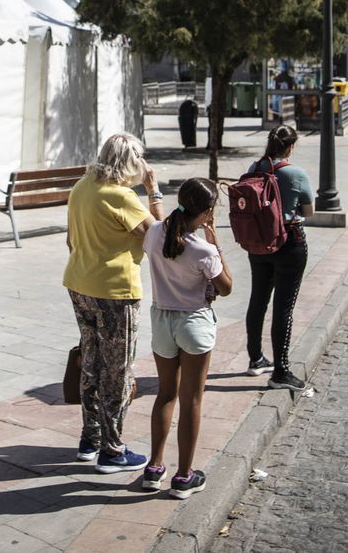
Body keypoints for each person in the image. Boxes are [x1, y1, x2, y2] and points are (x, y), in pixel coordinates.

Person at [65, 132, 160, 473]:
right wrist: (153, 190)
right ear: (130, 163)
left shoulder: (82, 187)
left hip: (79, 283)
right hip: (115, 291)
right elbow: (161, 239)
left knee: (90, 362)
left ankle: (89, 439)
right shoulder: (123, 197)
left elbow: (69, 240)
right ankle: (113, 449)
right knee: (117, 370)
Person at [142, 177, 232, 500]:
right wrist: (216, 241)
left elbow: (162, 225)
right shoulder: (204, 250)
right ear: (207, 213)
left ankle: (154, 467)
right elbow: (226, 287)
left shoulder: (154, 234)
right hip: (193, 322)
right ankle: (183, 476)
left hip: (162, 320)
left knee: (165, 393)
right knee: (191, 399)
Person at [243, 124, 313, 391]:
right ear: (291, 147)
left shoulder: (254, 168)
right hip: (288, 244)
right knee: (283, 307)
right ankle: (281, 372)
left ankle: (256, 358)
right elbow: (309, 210)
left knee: (257, 299)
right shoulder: (296, 174)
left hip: (257, 244)